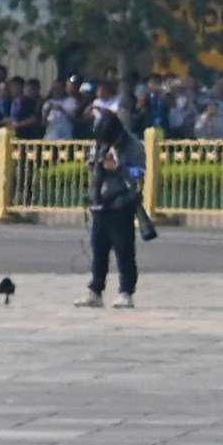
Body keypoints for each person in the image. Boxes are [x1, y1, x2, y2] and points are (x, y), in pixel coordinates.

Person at [84, 117, 146, 309]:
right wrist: (95, 164)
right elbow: (94, 165)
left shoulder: (134, 146)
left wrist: (118, 167)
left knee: (124, 251)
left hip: (122, 204)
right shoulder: (102, 144)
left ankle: (126, 292)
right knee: (98, 250)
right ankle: (95, 291)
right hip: (101, 204)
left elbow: (139, 174)